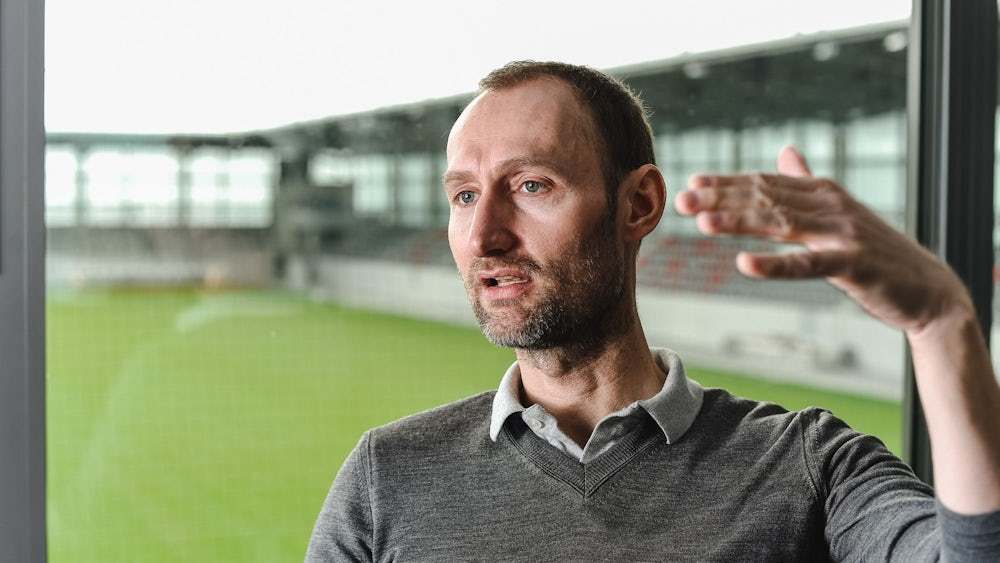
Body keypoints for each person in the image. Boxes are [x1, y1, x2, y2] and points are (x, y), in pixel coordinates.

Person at [306, 61, 1000, 561]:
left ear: (638, 204)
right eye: (463, 196)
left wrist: (943, 324)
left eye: (530, 185)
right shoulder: (387, 475)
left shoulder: (806, 463)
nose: (485, 234)